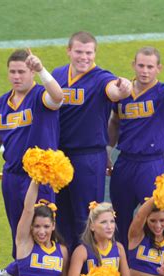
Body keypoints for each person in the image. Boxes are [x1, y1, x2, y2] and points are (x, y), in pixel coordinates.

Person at [0, 49, 63, 276]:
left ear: (31, 72)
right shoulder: (1, 103)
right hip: (11, 173)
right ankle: (20, 266)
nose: (16, 76)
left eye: (22, 71)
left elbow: (58, 96)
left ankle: (45, 272)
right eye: (12, 71)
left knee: (42, 223)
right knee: (17, 223)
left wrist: (42, 69)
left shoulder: (41, 96)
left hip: (39, 177)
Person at [52, 31, 132, 252]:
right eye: (79, 52)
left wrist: (123, 87)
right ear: (69, 51)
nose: (83, 57)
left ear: (95, 53)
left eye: (88, 53)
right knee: (59, 214)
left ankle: (90, 271)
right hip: (59, 157)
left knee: (86, 217)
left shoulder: (102, 78)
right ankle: (66, 270)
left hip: (88, 157)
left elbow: (115, 91)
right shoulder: (58, 74)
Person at [108, 46, 164, 249]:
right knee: (119, 214)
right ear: (133, 65)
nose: (145, 71)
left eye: (150, 66)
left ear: (158, 68)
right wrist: (107, 151)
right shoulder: (124, 91)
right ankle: (123, 262)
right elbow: (114, 122)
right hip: (125, 161)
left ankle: (154, 260)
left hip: (151, 164)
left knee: (155, 216)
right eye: (141, 66)